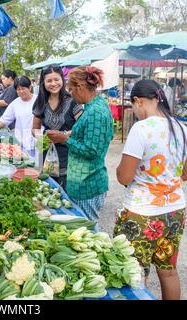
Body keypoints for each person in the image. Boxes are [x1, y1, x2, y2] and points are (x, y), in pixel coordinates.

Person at [115, 80, 187, 300]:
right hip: (175, 212)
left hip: (142, 214)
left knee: (132, 272)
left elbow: (125, 176)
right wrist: (166, 184)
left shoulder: (141, 129)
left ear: (138, 101)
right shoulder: (182, 128)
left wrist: (121, 171)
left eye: (134, 107)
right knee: (169, 271)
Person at [57, 66, 114, 225]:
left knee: (88, 231)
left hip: (88, 184)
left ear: (80, 87)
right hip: (82, 182)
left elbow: (91, 150)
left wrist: (64, 140)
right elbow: (91, 136)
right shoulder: (92, 107)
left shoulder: (96, 111)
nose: (71, 95)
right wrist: (70, 134)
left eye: (71, 90)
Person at [32, 66, 83, 190]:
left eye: (56, 79)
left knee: (66, 191)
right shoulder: (40, 102)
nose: (53, 84)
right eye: (49, 81)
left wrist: (63, 136)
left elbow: (82, 126)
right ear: (43, 83)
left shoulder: (72, 101)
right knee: (49, 191)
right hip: (46, 156)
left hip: (68, 154)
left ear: (62, 80)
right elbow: (35, 128)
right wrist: (42, 137)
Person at [0, 76, 37, 152]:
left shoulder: (38, 101)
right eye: (18, 89)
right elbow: (4, 120)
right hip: (20, 143)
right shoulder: (15, 103)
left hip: (37, 142)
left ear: (30, 88)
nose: (21, 91)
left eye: (23, 88)